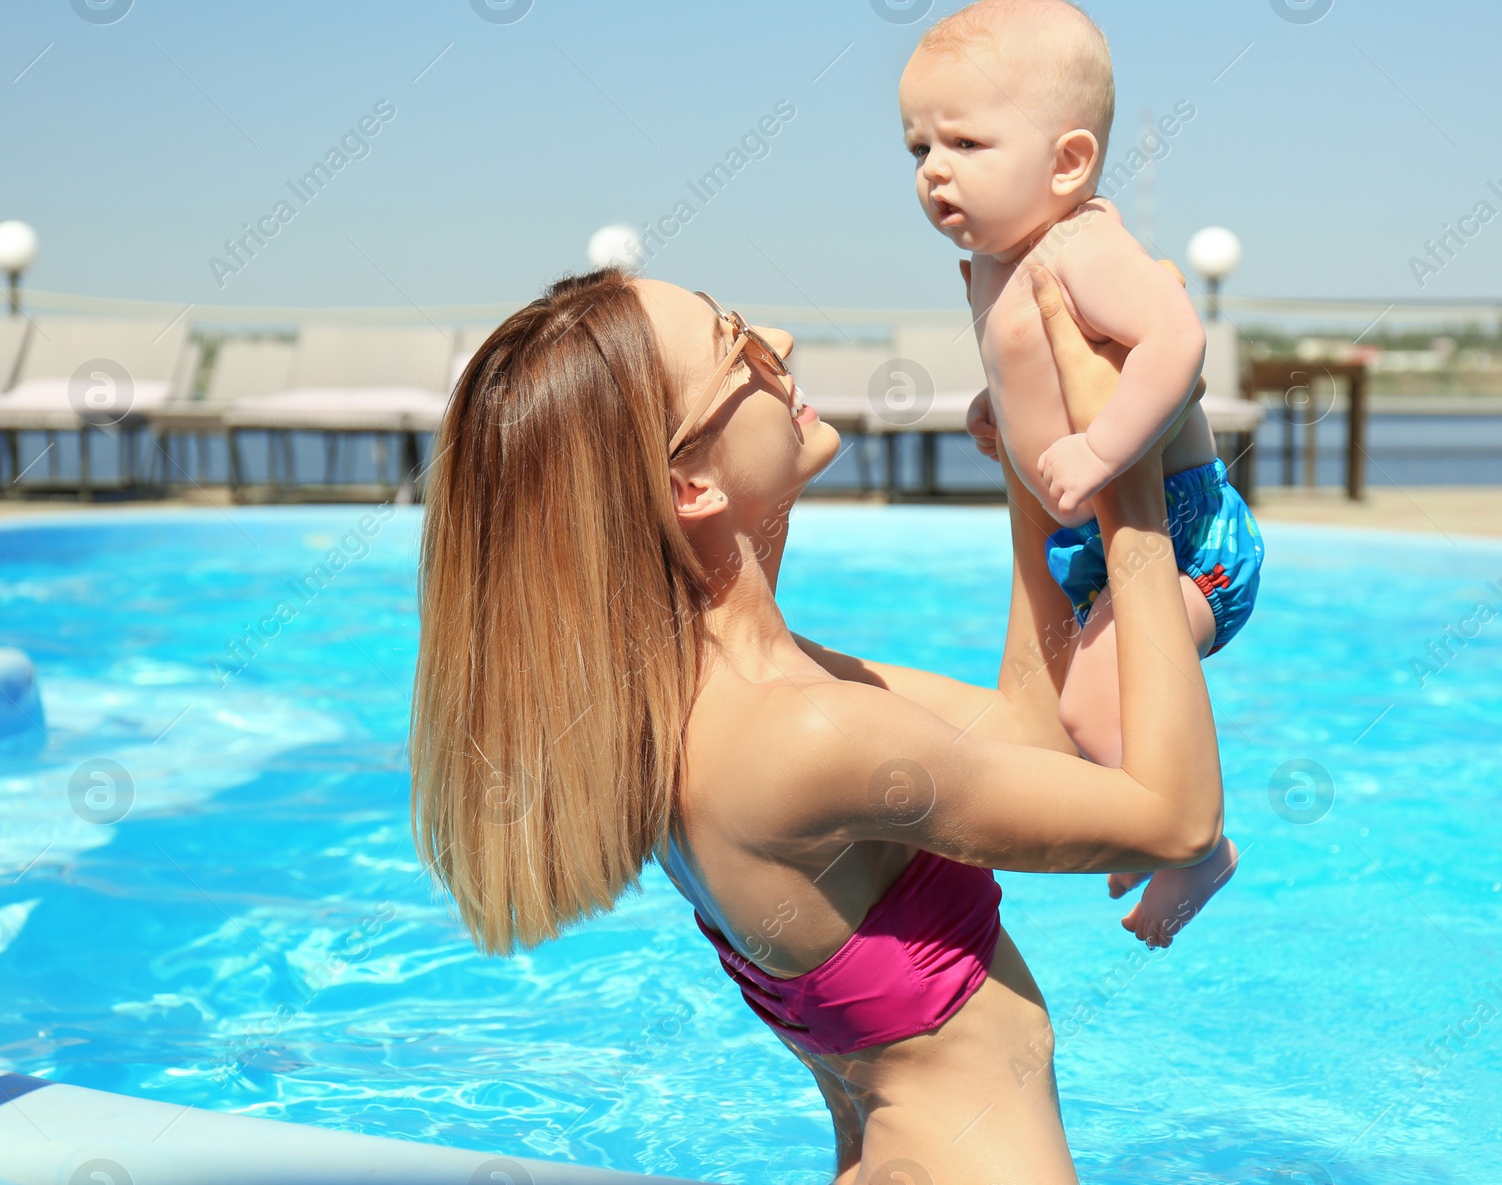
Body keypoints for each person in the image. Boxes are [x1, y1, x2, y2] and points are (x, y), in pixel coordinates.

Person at [409, 264, 1223, 1183]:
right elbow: (1175, 820)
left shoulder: (719, 700)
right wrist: (1131, 495)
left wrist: (1042, 475)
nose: (781, 345)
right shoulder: (803, 736)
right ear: (689, 486)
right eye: (737, 348)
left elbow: (1029, 737)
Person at [899, 0, 1259, 943]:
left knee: (1092, 701)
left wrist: (1103, 451)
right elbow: (1032, 375)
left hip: (1186, 540)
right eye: (918, 149)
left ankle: (1196, 844)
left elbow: (1177, 341)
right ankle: (1149, 818)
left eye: (967, 142)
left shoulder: (1079, 246)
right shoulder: (990, 261)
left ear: (1067, 163)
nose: (935, 170)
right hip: (1096, 542)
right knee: (1065, 715)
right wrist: (1003, 418)